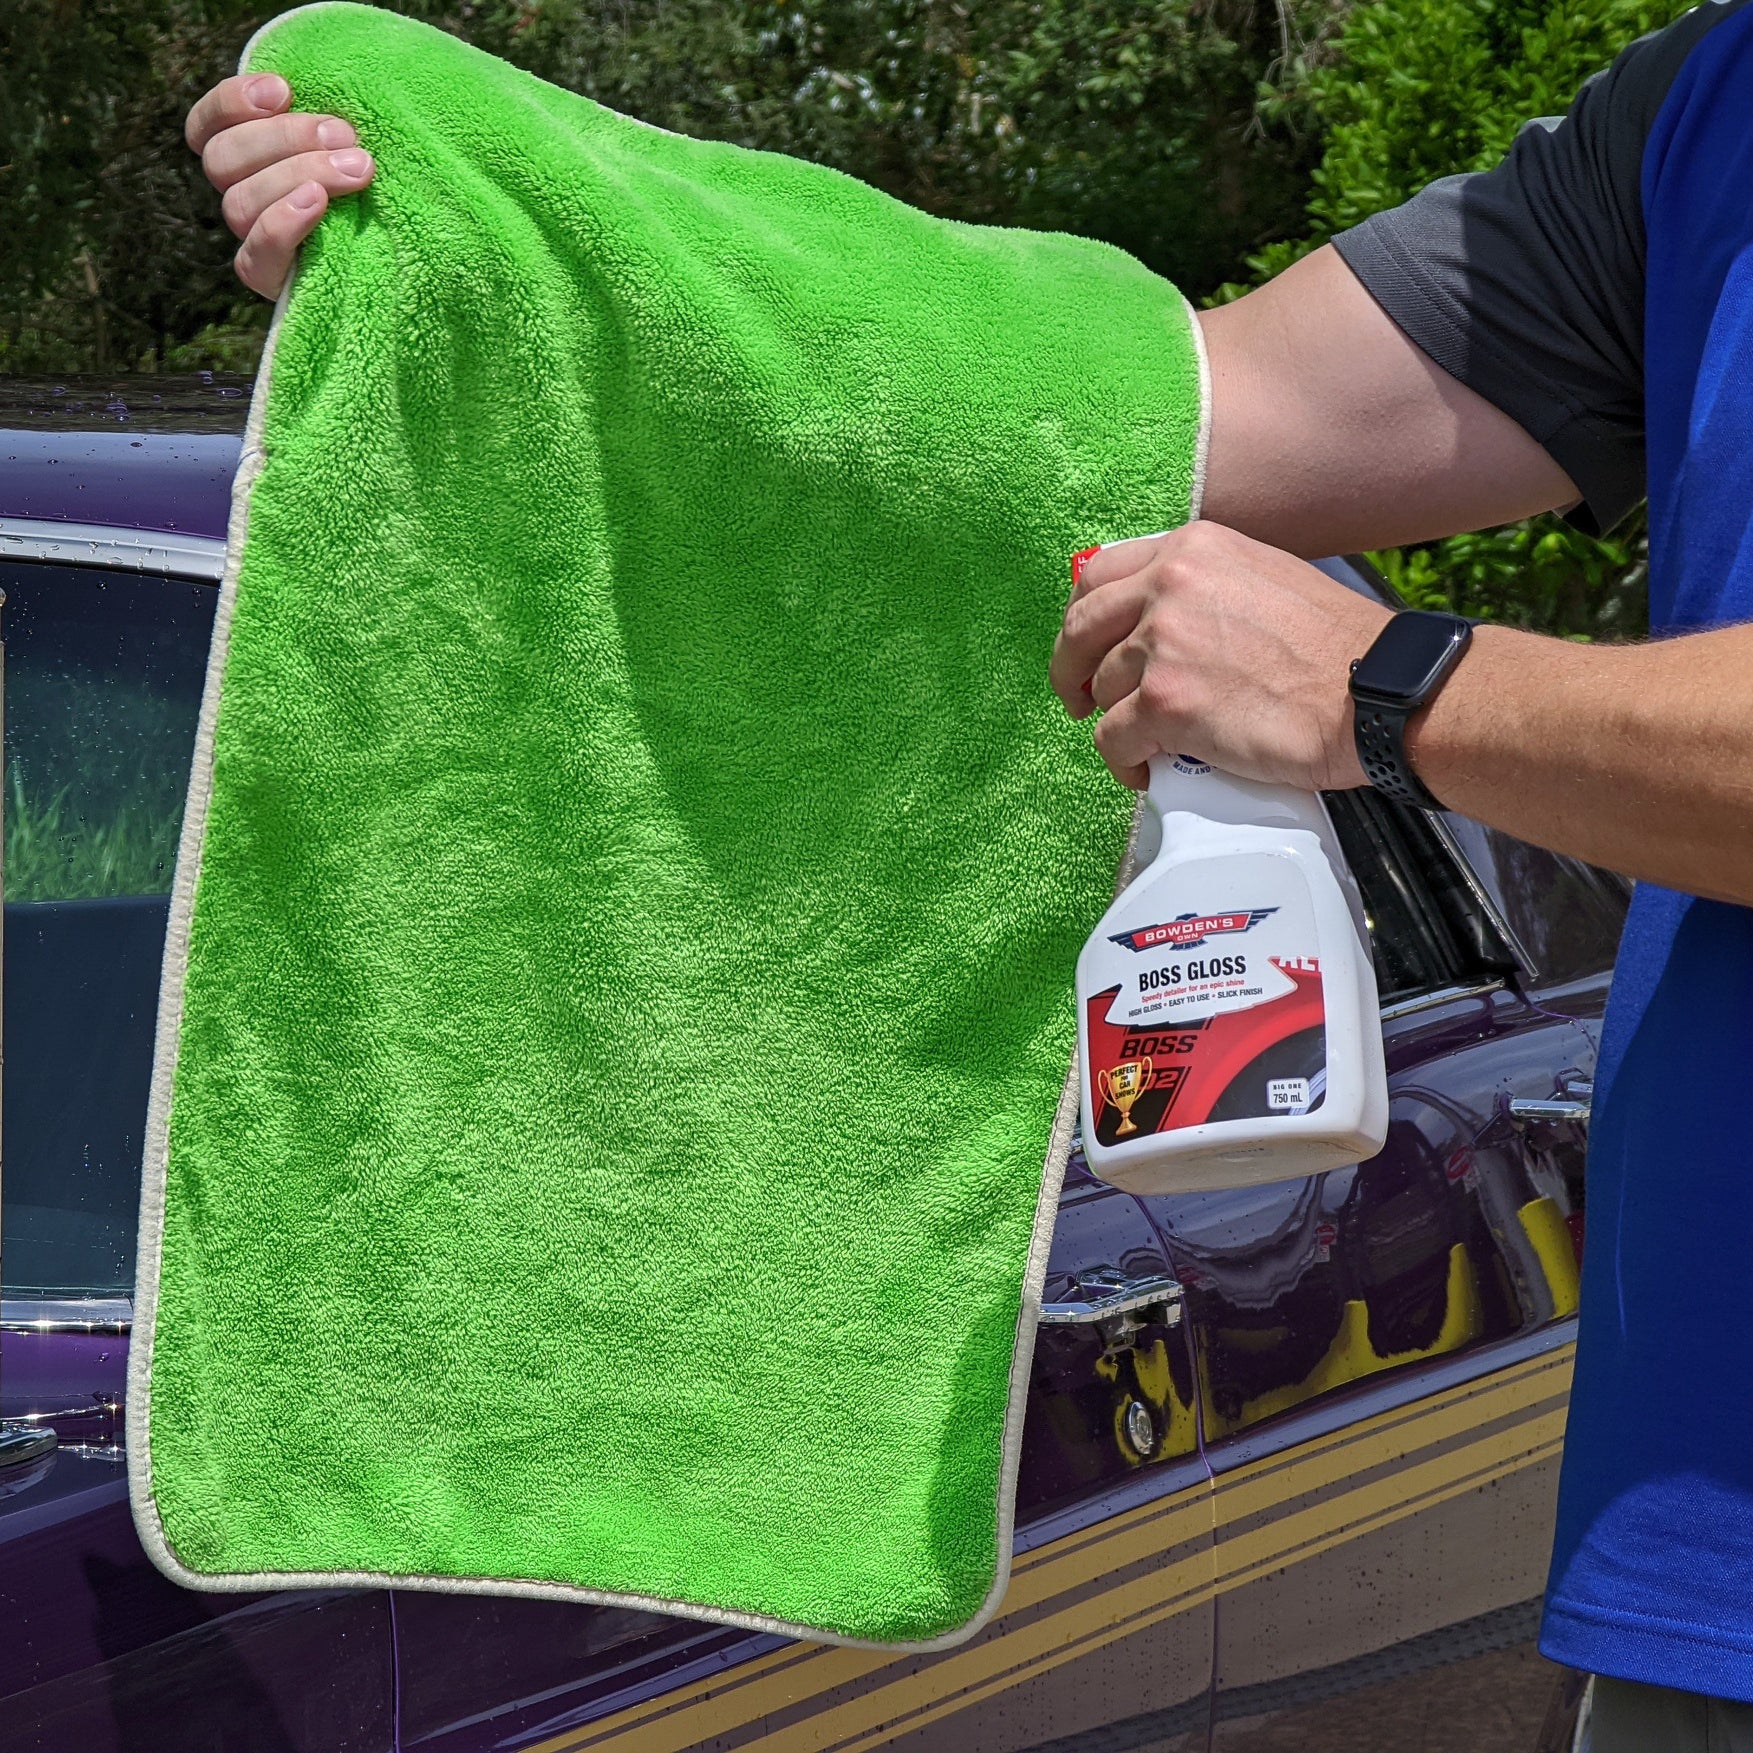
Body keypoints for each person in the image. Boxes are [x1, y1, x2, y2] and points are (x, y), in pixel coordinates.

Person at [186, 10, 1753, 1743]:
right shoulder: (1708, 110)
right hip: (1687, 1558)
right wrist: (516, 229)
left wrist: (1394, 688)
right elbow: (1142, 409)